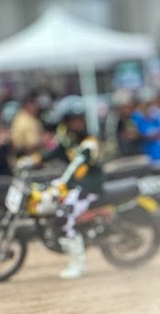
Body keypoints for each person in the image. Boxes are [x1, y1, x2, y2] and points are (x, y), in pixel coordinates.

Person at [25, 105, 104, 279]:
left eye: (79, 120)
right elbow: (52, 153)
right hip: (76, 187)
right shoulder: (70, 140)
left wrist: (63, 184)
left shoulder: (89, 143)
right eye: (73, 121)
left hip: (89, 189)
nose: (77, 124)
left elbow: (77, 166)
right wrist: (31, 161)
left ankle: (78, 264)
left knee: (64, 216)